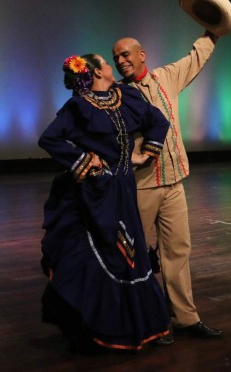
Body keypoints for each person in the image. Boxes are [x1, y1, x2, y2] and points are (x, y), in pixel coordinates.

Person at [38, 54, 172, 353]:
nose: (113, 67)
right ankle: (95, 324)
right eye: (106, 63)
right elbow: (49, 139)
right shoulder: (80, 105)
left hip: (124, 187)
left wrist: (145, 154)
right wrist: (87, 162)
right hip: (96, 191)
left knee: (130, 252)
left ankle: (135, 323)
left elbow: (157, 120)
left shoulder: (125, 96)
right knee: (104, 252)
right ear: (97, 72)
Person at [112, 31, 223, 344]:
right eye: (116, 57)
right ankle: (137, 320)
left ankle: (186, 319)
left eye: (125, 54)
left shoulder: (166, 77)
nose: (121, 61)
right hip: (141, 186)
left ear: (142, 54)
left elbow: (195, 58)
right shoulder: (118, 95)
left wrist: (213, 31)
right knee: (131, 257)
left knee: (177, 251)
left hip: (174, 182)